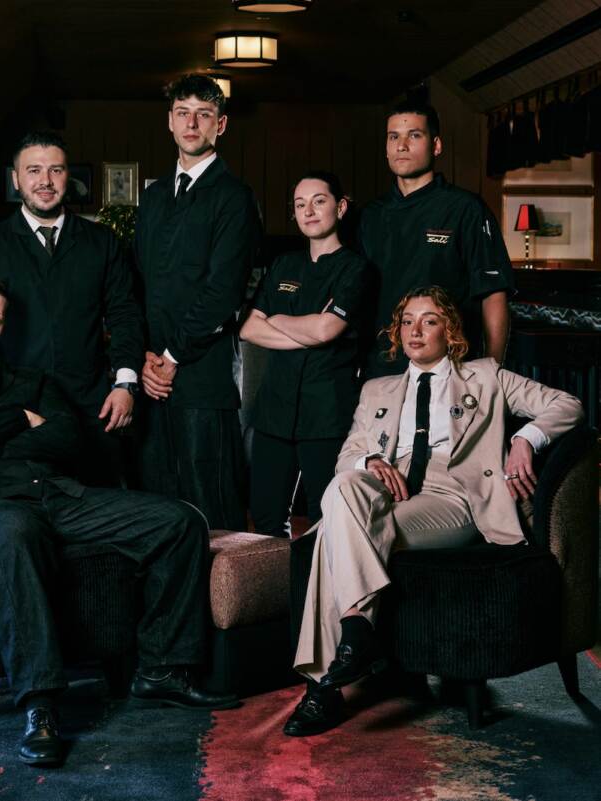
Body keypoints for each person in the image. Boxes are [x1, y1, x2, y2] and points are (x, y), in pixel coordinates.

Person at [0, 273, 238, 768]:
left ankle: (163, 669)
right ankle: (40, 705)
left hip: (59, 496)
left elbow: (67, 439)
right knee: (16, 536)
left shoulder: (32, 380)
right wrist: (19, 418)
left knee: (179, 521)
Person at [284, 285, 584, 736]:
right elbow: (347, 457)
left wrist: (525, 438)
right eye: (407, 321)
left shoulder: (487, 376)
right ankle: (356, 632)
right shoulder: (377, 390)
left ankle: (323, 687)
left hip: (453, 498)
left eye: (429, 321)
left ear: (450, 331)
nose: (415, 331)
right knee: (344, 484)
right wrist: (371, 461)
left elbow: (568, 405)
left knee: (331, 533)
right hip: (389, 487)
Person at [0, 131, 143, 487]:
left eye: (55, 170)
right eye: (34, 170)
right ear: (16, 179)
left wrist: (125, 384)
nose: (45, 181)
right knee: (29, 507)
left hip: (93, 407)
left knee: (103, 506)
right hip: (16, 408)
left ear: (67, 177)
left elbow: (125, 315)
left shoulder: (101, 242)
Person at [134, 73, 262, 531]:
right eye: (183, 113)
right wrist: (144, 357)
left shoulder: (234, 199)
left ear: (220, 125)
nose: (192, 124)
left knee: (211, 511)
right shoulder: (153, 197)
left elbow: (223, 293)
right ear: (169, 121)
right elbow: (139, 282)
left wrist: (171, 358)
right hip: (151, 381)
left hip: (203, 379)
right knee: (156, 508)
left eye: (203, 115)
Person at [240, 171, 369, 537]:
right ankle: (277, 578)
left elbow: (327, 330)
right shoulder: (283, 264)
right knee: (265, 518)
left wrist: (278, 319)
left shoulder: (356, 268)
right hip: (274, 411)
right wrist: (310, 331)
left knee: (323, 518)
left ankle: (315, 578)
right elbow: (249, 329)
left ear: (340, 208)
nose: (308, 211)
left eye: (319, 201)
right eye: (300, 204)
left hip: (326, 411)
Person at [360, 102, 514, 377]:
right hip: (381, 369)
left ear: (436, 145)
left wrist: (492, 372)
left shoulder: (465, 209)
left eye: (414, 135)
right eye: (394, 137)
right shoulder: (370, 216)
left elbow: (493, 294)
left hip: (450, 369)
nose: (402, 146)